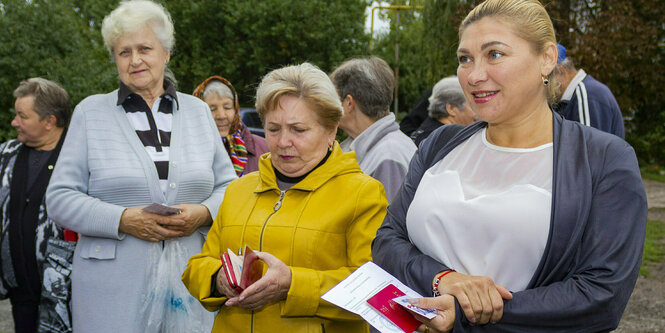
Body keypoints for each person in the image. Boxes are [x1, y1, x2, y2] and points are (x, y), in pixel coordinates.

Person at [371, 0, 647, 331]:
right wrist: (443, 279)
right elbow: (387, 240)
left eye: (495, 54)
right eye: (465, 59)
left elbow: (602, 296)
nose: (474, 75)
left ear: (546, 59)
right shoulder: (441, 144)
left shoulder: (604, 159)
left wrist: (467, 313)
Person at [45, 1, 237, 331]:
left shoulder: (197, 112)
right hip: (111, 290)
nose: (135, 60)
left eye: (145, 48)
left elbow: (230, 188)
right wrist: (123, 219)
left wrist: (203, 214)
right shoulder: (91, 113)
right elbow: (60, 198)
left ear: (166, 53)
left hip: (190, 283)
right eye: (124, 52)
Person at [182, 62, 388, 332]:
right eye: (273, 128)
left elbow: (373, 291)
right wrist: (216, 278)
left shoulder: (363, 194)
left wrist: (292, 284)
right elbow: (197, 266)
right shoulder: (238, 190)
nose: (282, 142)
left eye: (298, 130)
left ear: (331, 131)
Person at [0, 78, 72, 333]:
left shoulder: (78, 158)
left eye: (22, 116)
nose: (14, 122)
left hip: (68, 300)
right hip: (20, 294)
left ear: (49, 121)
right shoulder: (6, 154)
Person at [331, 56, 416, 202]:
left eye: (333, 99)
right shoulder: (372, 146)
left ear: (349, 103)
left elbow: (386, 222)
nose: (328, 106)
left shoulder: (389, 157)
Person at [193, 76, 269, 176]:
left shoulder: (264, 148)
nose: (221, 116)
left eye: (227, 107)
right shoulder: (187, 150)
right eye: (212, 109)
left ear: (236, 109)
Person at [553, 44, 625, 138]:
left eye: (545, 80)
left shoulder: (586, 95)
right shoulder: (582, 94)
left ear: (561, 72)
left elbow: (588, 150)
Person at [410, 76, 475, 146]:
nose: (477, 112)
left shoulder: (426, 133)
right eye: (472, 106)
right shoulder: (445, 142)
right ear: (451, 109)